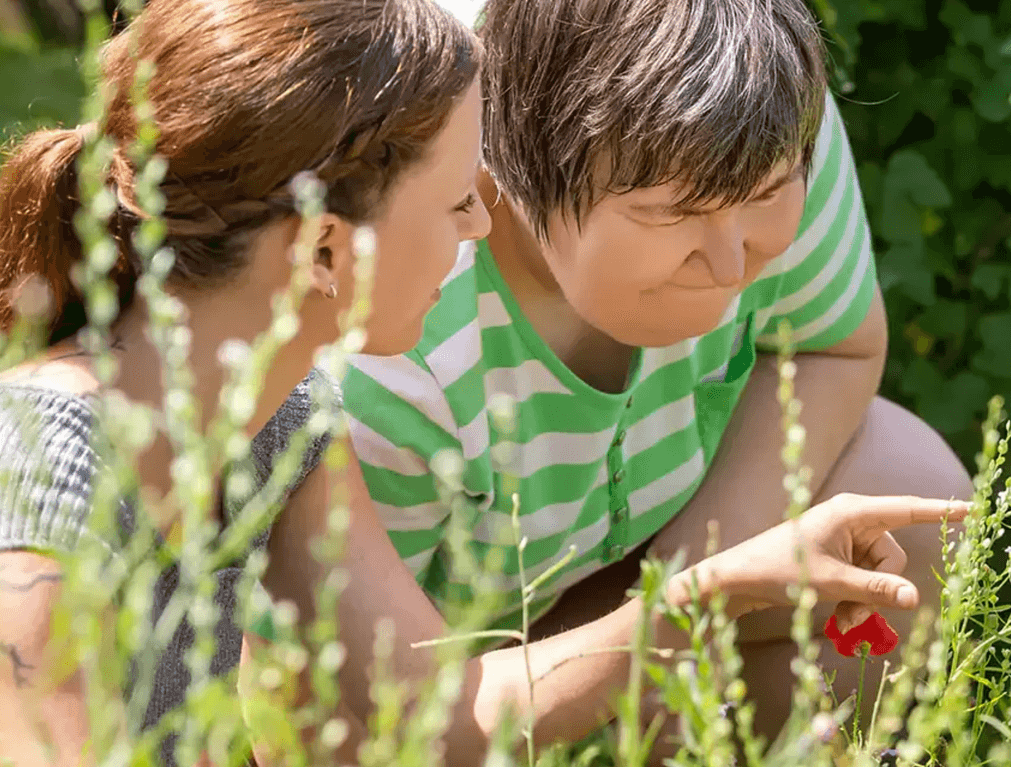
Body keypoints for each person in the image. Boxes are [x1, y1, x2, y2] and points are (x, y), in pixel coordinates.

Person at [0, 0, 967, 764]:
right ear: (323, 252)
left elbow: (446, 716)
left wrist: (716, 588)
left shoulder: (280, 423)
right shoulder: (32, 523)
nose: (484, 227)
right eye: (454, 205)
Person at [343, 0, 976, 744]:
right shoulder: (392, 327)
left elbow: (832, 347)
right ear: (505, 174)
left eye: (767, 194)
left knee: (909, 488)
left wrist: (684, 614)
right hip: (443, 664)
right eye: (672, 212)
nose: (732, 264)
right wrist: (642, 647)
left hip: (646, 557)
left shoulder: (754, 108)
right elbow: (353, 710)